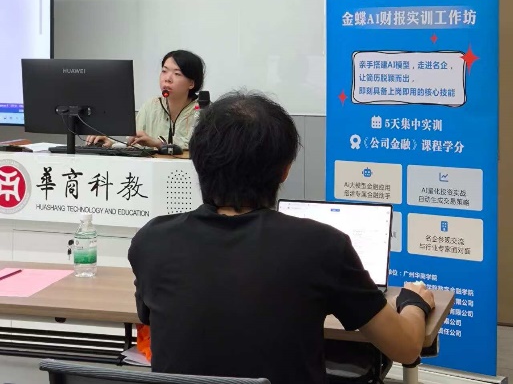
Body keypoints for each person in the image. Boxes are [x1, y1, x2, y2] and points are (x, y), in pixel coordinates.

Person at [128, 92, 435, 384]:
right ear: (285, 170)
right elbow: (405, 348)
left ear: (197, 162)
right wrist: (413, 303)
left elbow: (154, 316)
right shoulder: (321, 246)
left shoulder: (152, 241)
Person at [86, 50, 205, 150]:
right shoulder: (151, 106)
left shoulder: (204, 110)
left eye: (177, 74)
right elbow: (135, 144)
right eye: (164, 71)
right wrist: (111, 144)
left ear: (191, 83)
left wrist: (159, 143)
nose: (167, 79)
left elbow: (200, 146)